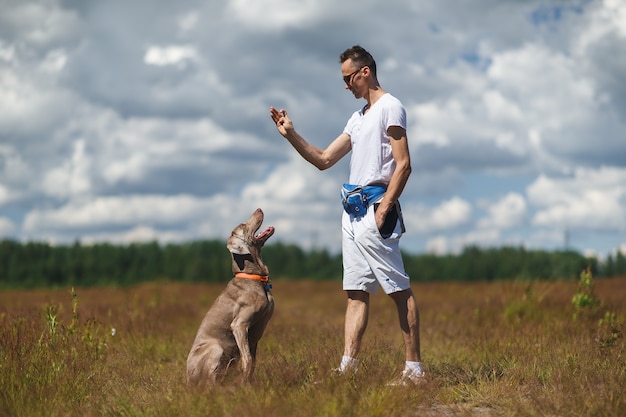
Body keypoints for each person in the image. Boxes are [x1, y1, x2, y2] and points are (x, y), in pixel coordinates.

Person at [269, 45, 424, 385]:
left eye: (348, 78)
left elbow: (404, 164)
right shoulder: (357, 118)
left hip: (375, 211)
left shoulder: (391, 107)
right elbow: (324, 159)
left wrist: (384, 209)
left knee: (398, 289)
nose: (345, 86)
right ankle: (347, 370)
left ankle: (414, 371)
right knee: (356, 291)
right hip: (351, 215)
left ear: (365, 72)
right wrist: (290, 133)